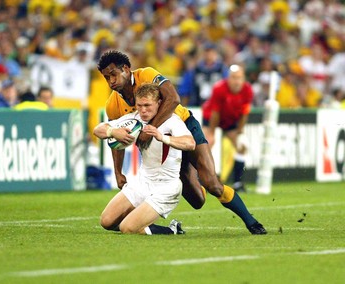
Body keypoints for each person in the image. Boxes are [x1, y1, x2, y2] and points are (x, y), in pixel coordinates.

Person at [97, 50, 266, 235]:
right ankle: (161, 223)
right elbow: (116, 140)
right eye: (106, 78)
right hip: (160, 150)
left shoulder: (146, 75)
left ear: (126, 69)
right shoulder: (112, 105)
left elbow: (173, 98)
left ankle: (251, 221)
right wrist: (118, 172)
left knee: (212, 184)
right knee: (197, 201)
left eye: (113, 74)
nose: (111, 81)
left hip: (183, 126)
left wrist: (151, 130)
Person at [94, 83, 194, 234]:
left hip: (166, 187)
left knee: (127, 228)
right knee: (106, 221)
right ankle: (139, 222)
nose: (143, 110)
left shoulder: (172, 121)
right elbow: (97, 130)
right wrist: (112, 132)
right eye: (139, 105)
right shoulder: (134, 119)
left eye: (147, 105)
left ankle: (172, 229)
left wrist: (163, 138)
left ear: (159, 103)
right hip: (143, 182)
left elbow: (190, 143)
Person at [202, 65, 252, 192]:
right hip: (212, 119)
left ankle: (237, 183)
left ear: (243, 78)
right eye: (234, 78)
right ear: (228, 78)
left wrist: (240, 131)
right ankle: (202, 182)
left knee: (242, 145)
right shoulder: (219, 88)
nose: (236, 81)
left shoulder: (248, 90)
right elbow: (215, 113)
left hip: (230, 121)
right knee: (206, 145)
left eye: (239, 78)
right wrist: (212, 133)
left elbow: (245, 113)